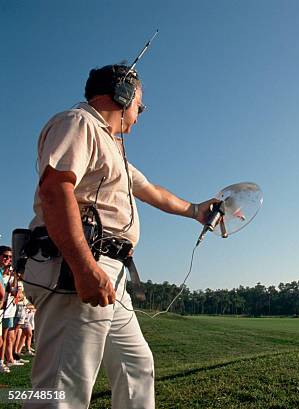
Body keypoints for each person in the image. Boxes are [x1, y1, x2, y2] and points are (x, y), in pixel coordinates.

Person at [23, 64, 219, 409]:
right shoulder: (78, 123)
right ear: (123, 96)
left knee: (136, 367)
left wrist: (196, 210)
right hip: (77, 267)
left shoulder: (112, 147)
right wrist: (84, 268)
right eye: (139, 106)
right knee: (61, 390)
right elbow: (56, 190)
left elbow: (152, 191)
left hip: (111, 272)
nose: (139, 116)